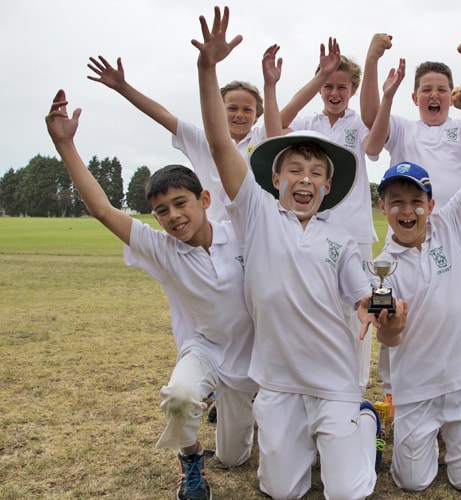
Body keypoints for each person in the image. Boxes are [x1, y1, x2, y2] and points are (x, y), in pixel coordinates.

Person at [192, 7, 407, 499]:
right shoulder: (258, 214)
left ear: (329, 186)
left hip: (334, 383)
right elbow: (221, 143)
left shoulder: (340, 238)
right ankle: (312, 444)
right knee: (281, 492)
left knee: (346, 493)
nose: (305, 178)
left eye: (316, 171)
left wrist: (385, 316)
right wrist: (208, 69)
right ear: (274, 179)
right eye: (294, 168)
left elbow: (364, 295)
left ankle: (360, 420)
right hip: (279, 386)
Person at [45, 89, 260, 500]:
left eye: (181, 203)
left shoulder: (240, 231)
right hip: (205, 348)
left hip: (253, 356)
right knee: (179, 399)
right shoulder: (161, 249)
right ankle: (191, 460)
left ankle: (240, 419)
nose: (174, 216)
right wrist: (66, 145)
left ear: (204, 199)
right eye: (162, 211)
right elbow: (103, 210)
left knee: (234, 458)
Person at [372, 82, 461, 492]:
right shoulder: (379, 268)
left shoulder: (453, 224)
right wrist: (390, 329)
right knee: (413, 483)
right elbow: (388, 337)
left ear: (430, 203)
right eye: (396, 201)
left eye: (415, 201)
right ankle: (375, 417)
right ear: (383, 207)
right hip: (416, 386)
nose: (406, 210)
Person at [275, 40, 378, 394]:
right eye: (328, 85)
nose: (335, 93)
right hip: (311, 229)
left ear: (353, 90)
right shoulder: (308, 121)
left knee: (360, 308)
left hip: (356, 230)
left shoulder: (361, 122)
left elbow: (377, 141)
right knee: (314, 305)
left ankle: (356, 390)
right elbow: (279, 122)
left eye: (342, 86)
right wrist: (318, 74)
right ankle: (314, 382)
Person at [87, 55, 266, 222]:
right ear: (218, 110)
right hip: (215, 235)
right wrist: (122, 87)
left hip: (256, 231)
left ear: (257, 115)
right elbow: (163, 115)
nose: (239, 115)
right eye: (232, 108)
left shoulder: (263, 138)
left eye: (247, 110)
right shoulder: (201, 140)